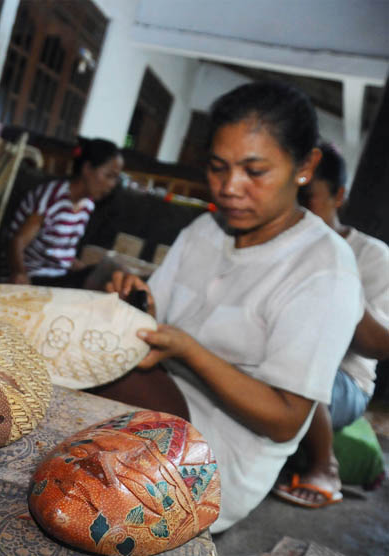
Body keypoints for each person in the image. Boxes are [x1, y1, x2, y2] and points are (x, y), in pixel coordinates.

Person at [91, 81, 363, 532]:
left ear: (306, 166)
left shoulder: (325, 269)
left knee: (102, 380)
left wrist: (188, 349)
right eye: (218, 168)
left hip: (222, 454)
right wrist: (133, 305)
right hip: (164, 392)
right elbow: (156, 325)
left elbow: (286, 420)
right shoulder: (204, 229)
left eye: (255, 172)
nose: (230, 187)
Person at [273, 142, 389, 507]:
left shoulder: (372, 256)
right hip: (274, 358)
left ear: (339, 196)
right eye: (292, 197)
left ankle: (326, 466)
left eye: (309, 198)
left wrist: (334, 278)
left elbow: (379, 344)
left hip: (343, 381)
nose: (300, 211)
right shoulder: (278, 243)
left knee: (301, 357)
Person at [7, 138, 124, 287]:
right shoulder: (51, 197)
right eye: (109, 176)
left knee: (109, 274)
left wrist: (88, 270)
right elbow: (17, 242)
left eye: (115, 178)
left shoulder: (87, 205)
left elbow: (61, 257)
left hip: (58, 277)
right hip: (35, 277)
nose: (112, 184)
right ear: (87, 169)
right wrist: (20, 273)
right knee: (104, 276)